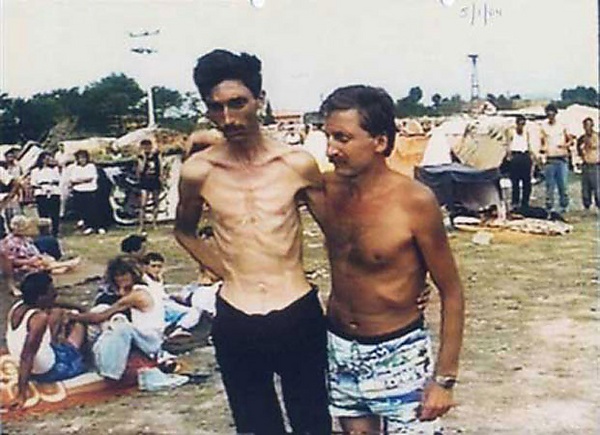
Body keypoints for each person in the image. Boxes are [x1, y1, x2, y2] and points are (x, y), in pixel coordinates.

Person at [175, 49, 330, 434]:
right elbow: (184, 230)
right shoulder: (198, 171)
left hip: (296, 310)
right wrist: (225, 270)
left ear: (259, 100)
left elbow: (339, 236)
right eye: (216, 108)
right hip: (236, 315)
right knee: (255, 425)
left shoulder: (296, 164)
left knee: (312, 422)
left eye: (237, 103)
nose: (228, 118)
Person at [306, 85, 465, 434]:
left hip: (398, 351)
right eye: (328, 136)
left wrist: (444, 379)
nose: (331, 149)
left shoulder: (414, 202)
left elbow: (452, 291)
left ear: (379, 142)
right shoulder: (324, 190)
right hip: (340, 348)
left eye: (343, 138)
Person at [68, 256, 165, 380]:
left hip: (150, 341)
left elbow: (99, 317)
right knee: (103, 315)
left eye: (124, 274)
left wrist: (72, 316)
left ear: (133, 274)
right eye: (117, 275)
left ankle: (106, 368)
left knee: (115, 321)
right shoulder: (137, 290)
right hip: (146, 336)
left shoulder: (137, 295)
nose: (120, 278)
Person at [6, 271, 87, 409]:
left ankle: (60, 347)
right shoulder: (39, 318)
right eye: (51, 292)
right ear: (41, 297)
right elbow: (27, 355)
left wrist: (75, 306)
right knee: (79, 325)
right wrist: (21, 393)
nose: (55, 294)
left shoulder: (17, 307)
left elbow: (55, 305)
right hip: (45, 371)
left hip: (30, 365)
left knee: (57, 313)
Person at [141, 251, 202, 339]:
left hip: (166, 303)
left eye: (159, 266)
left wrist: (172, 296)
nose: (156, 269)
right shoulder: (144, 280)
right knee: (193, 312)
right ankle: (179, 328)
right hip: (159, 306)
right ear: (145, 267)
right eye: (153, 266)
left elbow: (161, 293)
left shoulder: (158, 278)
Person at [0, 216, 80, 279]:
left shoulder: (25, 238)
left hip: (32, 259)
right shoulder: (10, 242)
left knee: (48, 260)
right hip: (22, 265)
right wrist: (29, 261)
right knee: (40, 264)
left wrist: (37, 257)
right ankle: (67, 264)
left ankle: (62, 266)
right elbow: (11, 261)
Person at [539, 104, 573, 217]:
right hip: (550, 159)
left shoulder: (562, 125)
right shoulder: (543, 126)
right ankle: (549, 207)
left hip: (561, 158)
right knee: (549, 185)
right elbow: (541, 141)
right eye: (548, 114)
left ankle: (564, 206)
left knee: (562, 184)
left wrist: (565, 145)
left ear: (555, 114)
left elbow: (571, 140)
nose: (550, 116)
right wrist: (542, 151)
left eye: (552, 113)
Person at [68, 150, 105, 235]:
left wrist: (80, 180)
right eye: (80, 158)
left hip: (90, 190)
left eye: (84, 158)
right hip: (79, 191)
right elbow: (73, 179)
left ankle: (98, 226)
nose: (82, 160)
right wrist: (83, 180)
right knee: (83, 210)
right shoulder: (75, 168)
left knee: (94, 209)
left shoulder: (91, 166)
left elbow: (91, 177)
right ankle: (89, 226)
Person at [30, 152, 62, 237]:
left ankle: (55, 231)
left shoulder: (54, 170)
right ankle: (44, 231)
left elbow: (58, 180)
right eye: (45, 159)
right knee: (43, 213)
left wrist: (51, 186)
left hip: (53, 191)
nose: (47, 160)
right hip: (41, 192)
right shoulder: (35, 171)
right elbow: (33, 183)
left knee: (55, 213)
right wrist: (41, 187)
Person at [505, 115, 533, 210]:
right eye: (519, 124)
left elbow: (528, 144)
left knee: (527, 182)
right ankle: (515, 202)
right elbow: (508, 144)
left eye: (523, 124)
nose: (521, 126)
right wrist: (509, 156)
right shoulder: (511, 132)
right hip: (516, 156)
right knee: (515, 182)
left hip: (525, 155)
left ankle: (525, 203)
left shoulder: (526, 133)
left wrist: (532, 156)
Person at [136, 139, 162, 231]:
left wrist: (161, 177)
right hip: (145, 181)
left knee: (156, 202)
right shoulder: (140, 157)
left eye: (148, 146)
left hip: (155, 180)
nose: (147, 148)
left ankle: (154, 223)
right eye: (144, 147)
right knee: (143, 204)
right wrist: (144, 158)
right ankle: (141, 225)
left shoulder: (156, 155)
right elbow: (141, 170)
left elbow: (160, 166)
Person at [576, 117, 599, 213]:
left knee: (597, 188)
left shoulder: (598, 136)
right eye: (586, 125)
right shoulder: (581, 138)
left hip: (596, 165)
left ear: (592, 126)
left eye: (589, 125)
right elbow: (578, 150)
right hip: (586, 165)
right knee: (585, 189)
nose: (587, 127)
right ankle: (587, 206)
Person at [2, 147, 24, 225]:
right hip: (6, 190)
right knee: (7, 211)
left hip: (15, 188)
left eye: (11, 156)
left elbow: (19, 178)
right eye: (8, 157)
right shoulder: (4, 168)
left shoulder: (17, 166)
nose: (10, 158)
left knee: (16, 210)